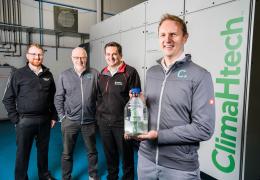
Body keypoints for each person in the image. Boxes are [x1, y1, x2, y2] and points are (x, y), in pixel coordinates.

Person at [136, 14, 216, 180]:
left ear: (185, 38)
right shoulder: (152, 72)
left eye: (173, 34)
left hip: (179, 167)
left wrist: (159, 136)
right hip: (145, 159)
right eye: (163, 35)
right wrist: (140, 104)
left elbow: (204, 128)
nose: (167, 39)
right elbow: (154, 111)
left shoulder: (200, 75)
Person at [2, 43, 57, 180]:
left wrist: (54, 116)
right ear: (27, 56)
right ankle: (21, 177)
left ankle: (44, 175)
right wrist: (16, 119)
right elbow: (7, 98)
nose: (37, 57)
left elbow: (52, 98)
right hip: (25, 121)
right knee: (22, 153)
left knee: (43, 151)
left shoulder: (48, 74)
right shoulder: (18, 74)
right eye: (33, 54)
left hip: (44, 120)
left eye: (40, 54)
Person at [96, 42, 141, 180]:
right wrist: (99, 120)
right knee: (110, 155)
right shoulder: (102, 73)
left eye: (114, 54)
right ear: (105, 56)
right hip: (105, 123)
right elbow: (99, 98)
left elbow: (136, 102)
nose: (111, 57)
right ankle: (112, 177)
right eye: (108, 54)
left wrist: (131, 128)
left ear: (120, 55)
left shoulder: (130, 72)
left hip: (122, 124)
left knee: (126, 157)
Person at [54, 47, 99, 180]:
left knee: (92, 151)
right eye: (76, 57)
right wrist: (62, 117)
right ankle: (66, 177)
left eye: (83, 57)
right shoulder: (64, 75)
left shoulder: (95, 73)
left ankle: (93, 176)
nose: (80, 60)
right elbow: (58, 98)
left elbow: (100, 96)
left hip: (89, 121)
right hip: (70, 121)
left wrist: (96, 115)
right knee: (67, 153)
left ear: (86, 58)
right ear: (71, 58)